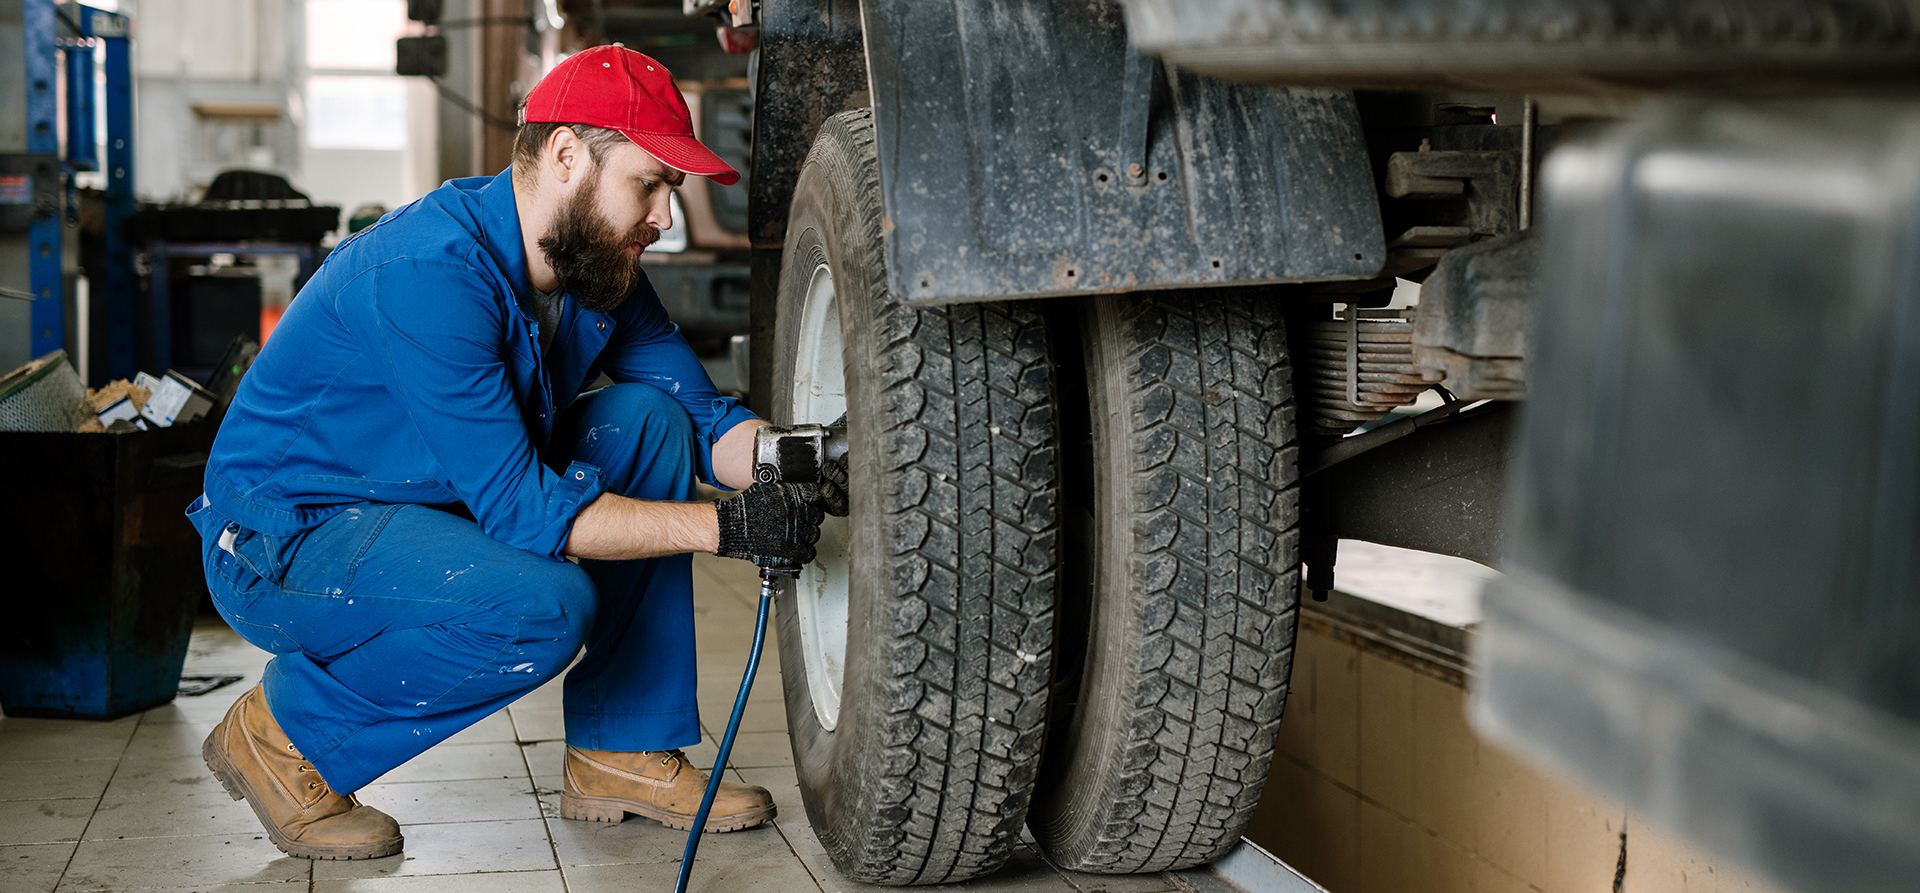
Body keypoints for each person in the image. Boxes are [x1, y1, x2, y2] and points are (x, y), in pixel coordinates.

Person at [186, 45, 840, 861]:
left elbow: (704, 418)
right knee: (541, 605)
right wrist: (727, 529)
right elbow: (528, 512)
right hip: (287, 535)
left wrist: (814, 461)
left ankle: (620, 747)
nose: (665, 218)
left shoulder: (598, 274)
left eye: (672, 192)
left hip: (426, 502)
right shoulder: (431, 273)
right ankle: (284, 738)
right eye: (651, 184)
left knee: (646, 421)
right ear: (567, 155)